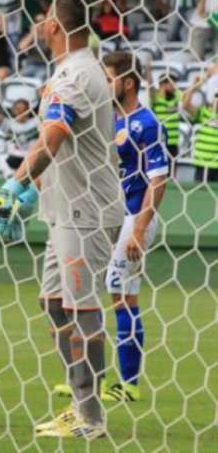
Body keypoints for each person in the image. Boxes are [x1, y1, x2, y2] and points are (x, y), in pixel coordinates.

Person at [0, 0, 125, 439]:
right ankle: (82, 404)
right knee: (52, 303)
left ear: (56, 27)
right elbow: (60, 144)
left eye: (43, 19)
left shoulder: (77, 74)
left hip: (87, 211)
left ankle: (91, 418)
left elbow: (55, 135)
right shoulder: (72, 70)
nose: (39, 26)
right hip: (65, 210)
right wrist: (34, 192)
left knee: (81, 308)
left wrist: (15, 184)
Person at [96, 52, 168, 403]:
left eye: (109, 78)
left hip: (135, 216)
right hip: (107, 215)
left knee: (122, 294)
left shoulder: (148, 123)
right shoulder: (108, 119)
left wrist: (140, 229)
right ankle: (97, 380)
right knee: (107, 293)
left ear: (128, 82)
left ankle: (128, 385)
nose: (105, 85)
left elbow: (159, 180)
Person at [183, 65, 218, 182]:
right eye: (216, 97)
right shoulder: (203, 112)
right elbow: (185, 106)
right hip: (201, 164)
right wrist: (194, 87)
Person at [0, 98, 39, 173]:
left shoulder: (36, 122)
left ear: (29, 110)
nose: (21, 112)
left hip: (31, 158)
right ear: (13, 110)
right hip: (14, 159)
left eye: (24, 109)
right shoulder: (8, 124)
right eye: (18, 109)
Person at [148, 71, 183, 162]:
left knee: (172, 172)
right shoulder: (156, 98)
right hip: (159, 141)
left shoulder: (176, 96)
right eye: (173, 83)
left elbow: (186, 98)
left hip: (173, 142)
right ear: (163, 84)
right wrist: (149, 70)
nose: (175, 86)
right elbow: (150, 87)